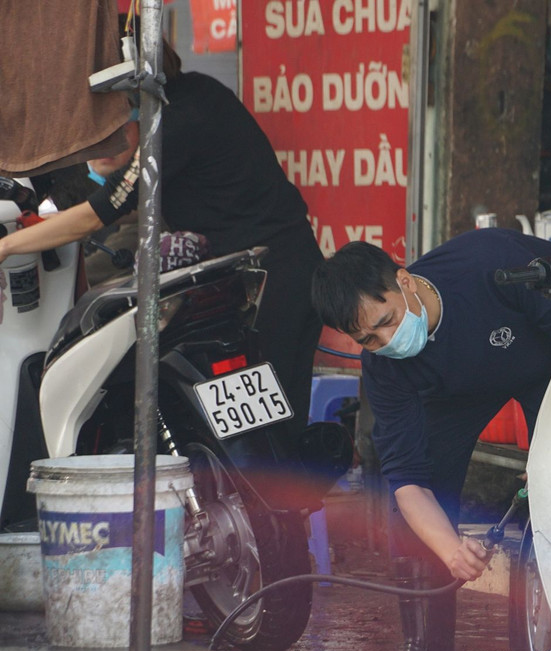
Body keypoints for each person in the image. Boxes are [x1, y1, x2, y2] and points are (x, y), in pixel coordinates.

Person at [310, 228, 551, 651]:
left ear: (405, 281)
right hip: (454, 392)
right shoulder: (386, 365)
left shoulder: (492, 265)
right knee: (418, 510)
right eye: (369, 337)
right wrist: (449, 549)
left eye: (386, 321)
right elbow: (408, 481)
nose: (385, 339)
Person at [0, 39, 322, 430]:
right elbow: (121, 195)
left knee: (266, 423)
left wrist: (7, 245)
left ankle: (281, 487)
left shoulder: (174, 122)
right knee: (279, 413)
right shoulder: (199, 93)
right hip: (285, 265)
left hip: (272, 278)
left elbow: (98, 214)